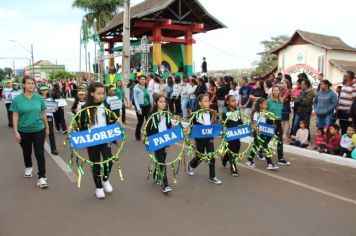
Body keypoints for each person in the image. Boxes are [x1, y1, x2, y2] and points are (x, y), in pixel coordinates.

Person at [75, 82, 115, 199]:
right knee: (96, 163)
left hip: (105, 137)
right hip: (92, 140)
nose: (102, 95)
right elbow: (80, 127)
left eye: (103, 93)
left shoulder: (106, 105)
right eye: (99, 93)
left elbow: (111, 120)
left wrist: (116, 123)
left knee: (109, 161)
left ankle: (105, 180)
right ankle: (98, 187)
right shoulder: (84, 109)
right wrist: (74, 127)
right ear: (92, 93)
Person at [10, 75, 49, 189]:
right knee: (26, 152)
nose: (31, 85)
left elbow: (43, 113)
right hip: (23, 130)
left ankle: (42, 177)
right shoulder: (17, 99)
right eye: (28, 83)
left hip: (38, 129)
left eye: (33, 83)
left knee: (39, 153)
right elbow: (15, 115)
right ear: (23, 85)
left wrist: (47, 127)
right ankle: (28, 166)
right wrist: (16, 132)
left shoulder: (39, 98)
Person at [186, 94, 222, 184]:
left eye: (208, 101)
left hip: (209, 138)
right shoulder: (196, 114)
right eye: (205, 101)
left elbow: (212, 125)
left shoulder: (210, 112)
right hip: (200, 139)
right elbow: (193, 127)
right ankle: (191, 164)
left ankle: (212, 176)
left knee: (211, 156)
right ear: (200, 103)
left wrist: (216, 122)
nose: (208, 103)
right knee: (200, 156)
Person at [145, 95, 173, 193]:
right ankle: (165, 184)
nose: (163, 103)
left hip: (165, 140)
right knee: (162, 161)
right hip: (156, 141)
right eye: (160, 101)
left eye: (164, 101)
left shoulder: (167, 114)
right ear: (156, 102)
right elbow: (148, 129)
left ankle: (156, 175)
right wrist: (149, 141)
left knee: (162, 159)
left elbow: (169, 126)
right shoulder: (151, 115)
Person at [246, 98, 279, 170]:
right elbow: (254, 124)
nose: (266, 105)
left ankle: (249, 160)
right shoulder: (256, 113)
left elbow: (265, 122)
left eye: (267, 104)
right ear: (260, 105)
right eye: (265, 104)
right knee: (265, 147)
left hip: (263, 132)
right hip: (258, 133)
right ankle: (270, 164)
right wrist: (255, 128)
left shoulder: (265, 112)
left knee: (256, 146)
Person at [267, 85, 291, 165]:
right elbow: (264, 112)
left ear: (279, 91)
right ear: (272, 91)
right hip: (270, 122)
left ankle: (280, 158)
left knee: (279, 140)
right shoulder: (269, 101)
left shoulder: (281, 101)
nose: (276, 92)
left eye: (277, 90)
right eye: (274, 90)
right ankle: (260, 151)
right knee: (267, 140)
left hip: (278, 122)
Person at [221, 95, 241, 176]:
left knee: (237, 149)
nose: (234, 102)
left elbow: (240, 121)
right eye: (232, 101)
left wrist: (243, 125)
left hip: (236, 134)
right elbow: (223, 123)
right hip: (229, 135)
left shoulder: (237, 110)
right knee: (231, 151)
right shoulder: (225, 111)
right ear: (227, 102)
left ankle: (225, 158)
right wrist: (224, 132)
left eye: (235, 101)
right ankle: (233, 169)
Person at [39, 85, 59, 155]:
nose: (44, 91)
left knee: (51, 132)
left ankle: (53, 149)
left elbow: (55, 108)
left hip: (49, 116)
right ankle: (40, 147)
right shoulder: (38, 98)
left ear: (48, 90)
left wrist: (55, 108)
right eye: (43, 90)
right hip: (40, 117)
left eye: (46, 90)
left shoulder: (50, 99)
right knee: (41, 133)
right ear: (40, 91)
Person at [133, 75, 153, 141]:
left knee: (149, 121)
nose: (142, 80)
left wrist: (152, 106)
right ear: (139, 80)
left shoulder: (148, 87)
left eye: (144, 79)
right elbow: (135, 99)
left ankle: (148, 135)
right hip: (140, 107)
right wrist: (138, 109)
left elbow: (151, 97)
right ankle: (137, 135)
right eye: (141, 79)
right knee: (140, 122)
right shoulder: (136, 88)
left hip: (148, 106)